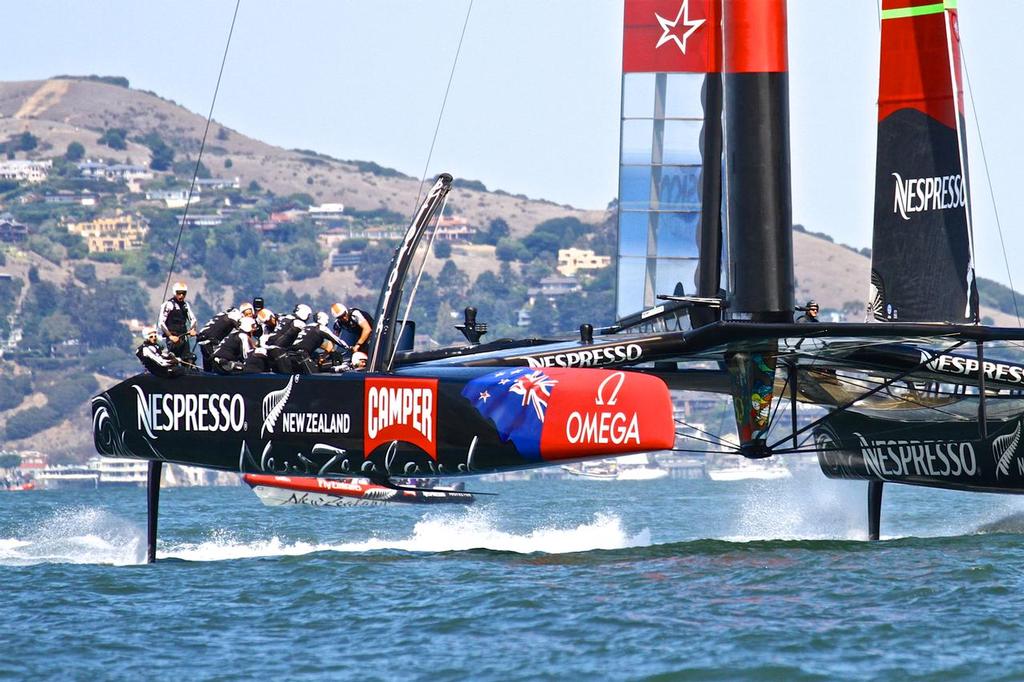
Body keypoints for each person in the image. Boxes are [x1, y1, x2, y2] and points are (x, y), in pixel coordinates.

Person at [159, 281, 197, 362]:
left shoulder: (185, 305)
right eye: (179, 293)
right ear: (174, 293)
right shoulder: (168, 304)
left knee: (189, 359)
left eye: (183, 293)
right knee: (172, 359)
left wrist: (192, 329)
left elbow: (193, 319)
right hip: (173, 338)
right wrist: (170, 336)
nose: (181, 295)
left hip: (184, 336)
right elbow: (161, 323)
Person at [196, 307, 241, 372]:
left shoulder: (223, 314)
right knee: (216, 364)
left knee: (208, 365)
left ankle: (207, 375)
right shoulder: (235, 314)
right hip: (209, 340)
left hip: (203, 337)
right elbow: (241, 329)